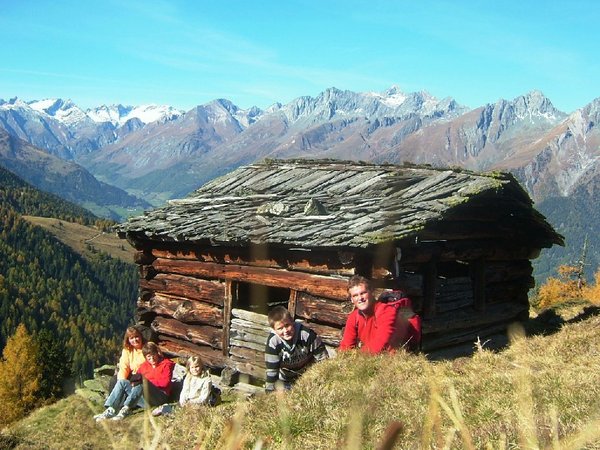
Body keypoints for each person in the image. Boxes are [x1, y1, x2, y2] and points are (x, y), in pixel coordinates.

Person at [264, 306, 328, 392]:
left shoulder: (307, 335)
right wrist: (269, 394)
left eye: (287, 325)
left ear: (292, 321)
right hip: (286, 381)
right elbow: (272, 372)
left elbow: (323, 360)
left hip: (309, 377)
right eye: (280, 328)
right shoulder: (273, 343)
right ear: (274, 330)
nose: (285, 331)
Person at [94, 326, 146, 422]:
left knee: (129, 384)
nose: (135, 340)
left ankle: (125, 408)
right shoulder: (128, 350)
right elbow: (124, 366)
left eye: (136, 336)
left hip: (143, 381)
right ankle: (112, 409)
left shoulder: (146, 349)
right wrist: (122, 381)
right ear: (128, 339)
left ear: (141, 336)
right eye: (131, 338)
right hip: (134, 377)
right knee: (117, 380)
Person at [339, 275, 402, 353]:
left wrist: (356, 356)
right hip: (367, 359)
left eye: (363, 293)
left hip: (389, 360)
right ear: (352, 300)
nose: (360, 298)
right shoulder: (354, 317)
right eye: (355, 295)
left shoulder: (386, 311)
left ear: (371, 292)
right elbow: (346, 346)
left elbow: (381, 343)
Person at [136, 342, 175, 417]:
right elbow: (136, 377)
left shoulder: (166, 364)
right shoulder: (144, 366)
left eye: (153, 355)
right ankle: (118, 407)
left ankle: (127, 406)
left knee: (143, 382)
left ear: (157, 353)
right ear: (145, 357)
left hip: (160, 396)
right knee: (123, 383)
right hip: (147, 398)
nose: (152, 358)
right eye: (149, 357)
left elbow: (165, 383)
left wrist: (148, 382)